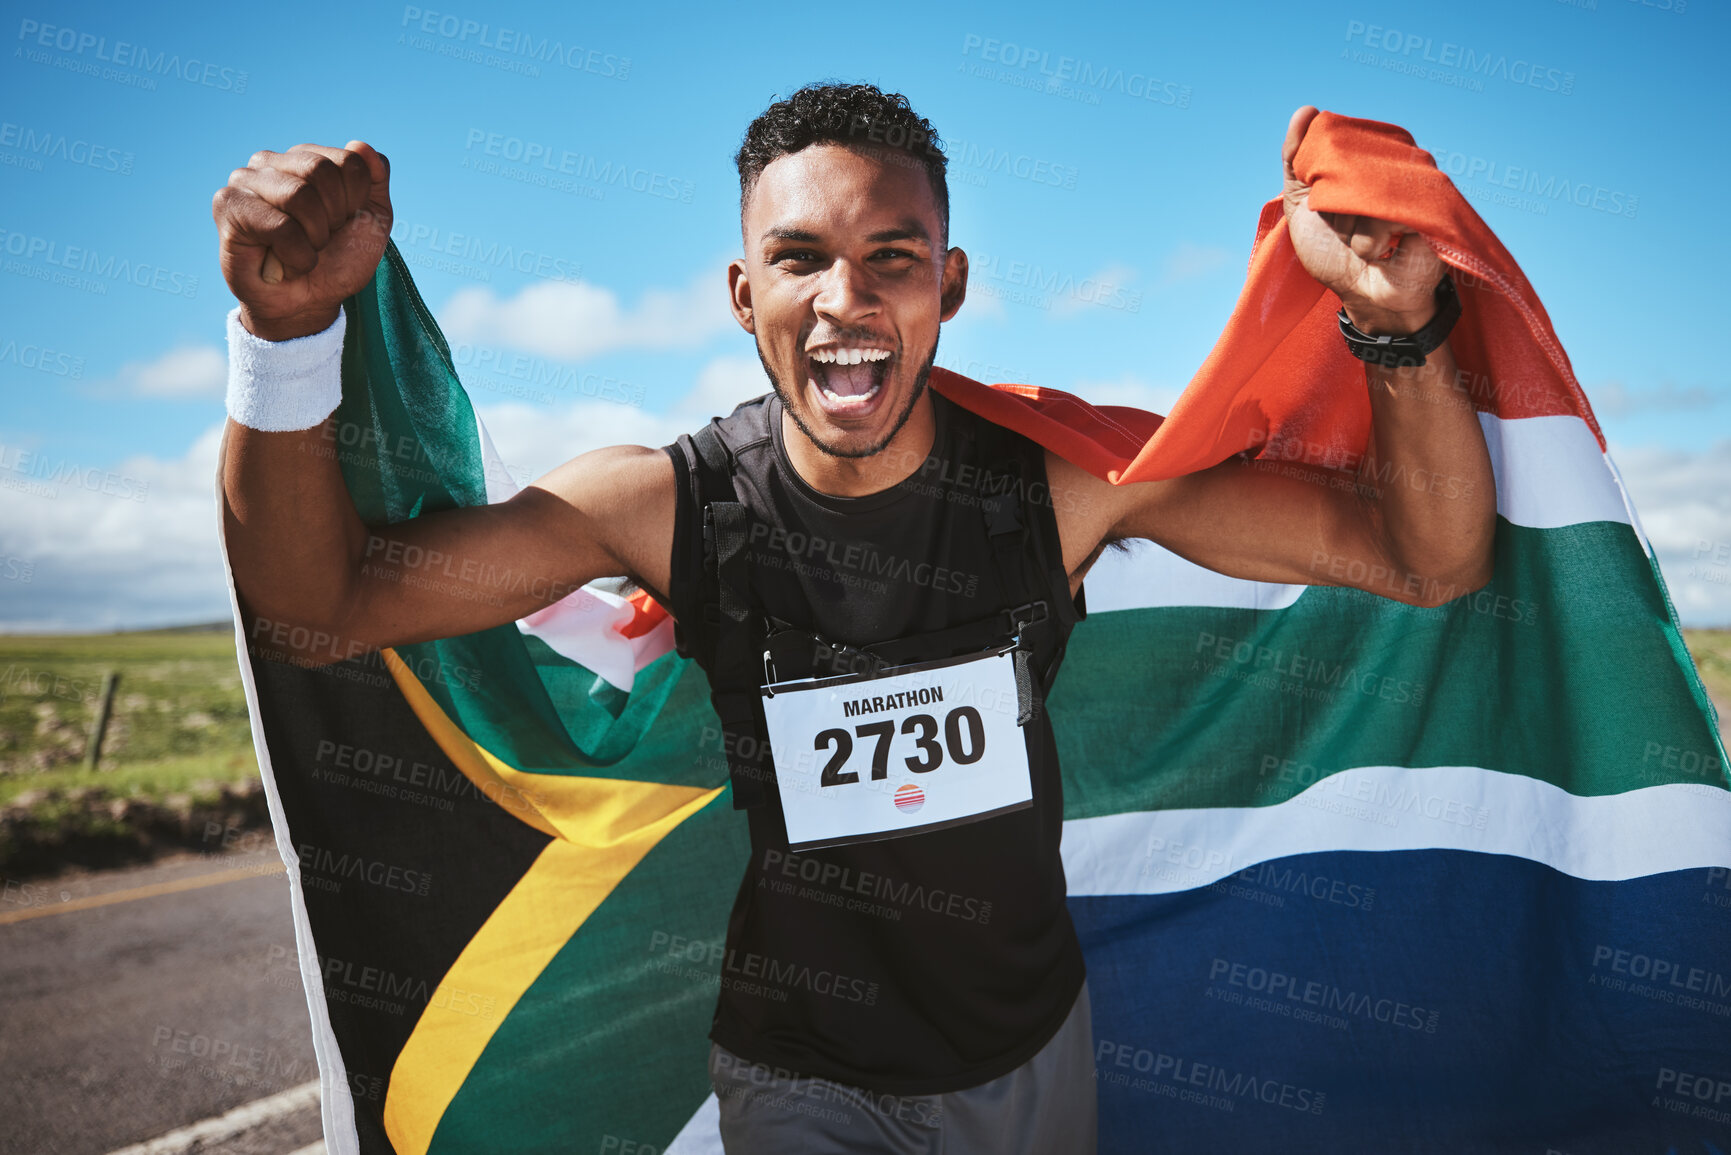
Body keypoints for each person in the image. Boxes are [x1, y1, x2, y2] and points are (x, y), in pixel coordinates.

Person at [214, 83, 1495, 1154]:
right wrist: (284, 335)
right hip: (798, 1071)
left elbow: (1423, 558)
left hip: (1030, 1057)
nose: (846, 299)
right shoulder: (662, 503)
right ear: (740, 291)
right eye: (800, 259)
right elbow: (324, 610)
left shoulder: (1062, 486)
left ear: (950, 281)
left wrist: (1398, 322)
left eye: (892, 257)